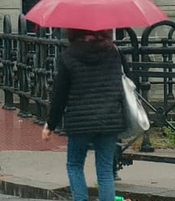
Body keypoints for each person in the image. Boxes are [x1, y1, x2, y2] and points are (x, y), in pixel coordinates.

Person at [41, 28, 124, 201]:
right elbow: (128, 82)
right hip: (110, 119)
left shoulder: (68, 56)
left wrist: (51, 124)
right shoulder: (114, 52)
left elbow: (60, 95)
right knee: (105, 170)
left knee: (74, 165)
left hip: (80, 121)